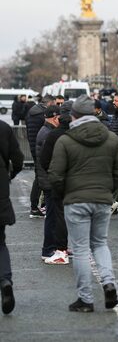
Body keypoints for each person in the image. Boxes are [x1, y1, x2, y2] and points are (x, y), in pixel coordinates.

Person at [48, 95, 118, 312]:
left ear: (74, 115)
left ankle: (85, 298)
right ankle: (108, 282)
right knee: (100, 244)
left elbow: (55, 175)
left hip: (75, 199)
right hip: (102, 198)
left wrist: (66, 192)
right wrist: (108, 190)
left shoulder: (65, 140)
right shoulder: (111, 138)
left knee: (81, 249)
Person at [35, 106, 67, 265]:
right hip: (49, 180)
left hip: (47, 179)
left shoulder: (44, 131)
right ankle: (49, 248)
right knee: (53, 217)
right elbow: (49, 160)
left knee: (54, 216)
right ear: (55, 118)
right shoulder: (48, 134)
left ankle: (53, 247)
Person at [0, 120, 24, 315]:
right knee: (0, 243)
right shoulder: (4, 128)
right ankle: (5, 280)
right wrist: (10, 175)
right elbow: (18, 158)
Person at [25, 94, 55, 218]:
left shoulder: (32, 112)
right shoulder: (41, 115)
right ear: (49, 103)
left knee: (39, 176)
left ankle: (36, 205)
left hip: (34, 146)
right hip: (40, 148)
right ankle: (34, 206)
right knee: (40, 178)